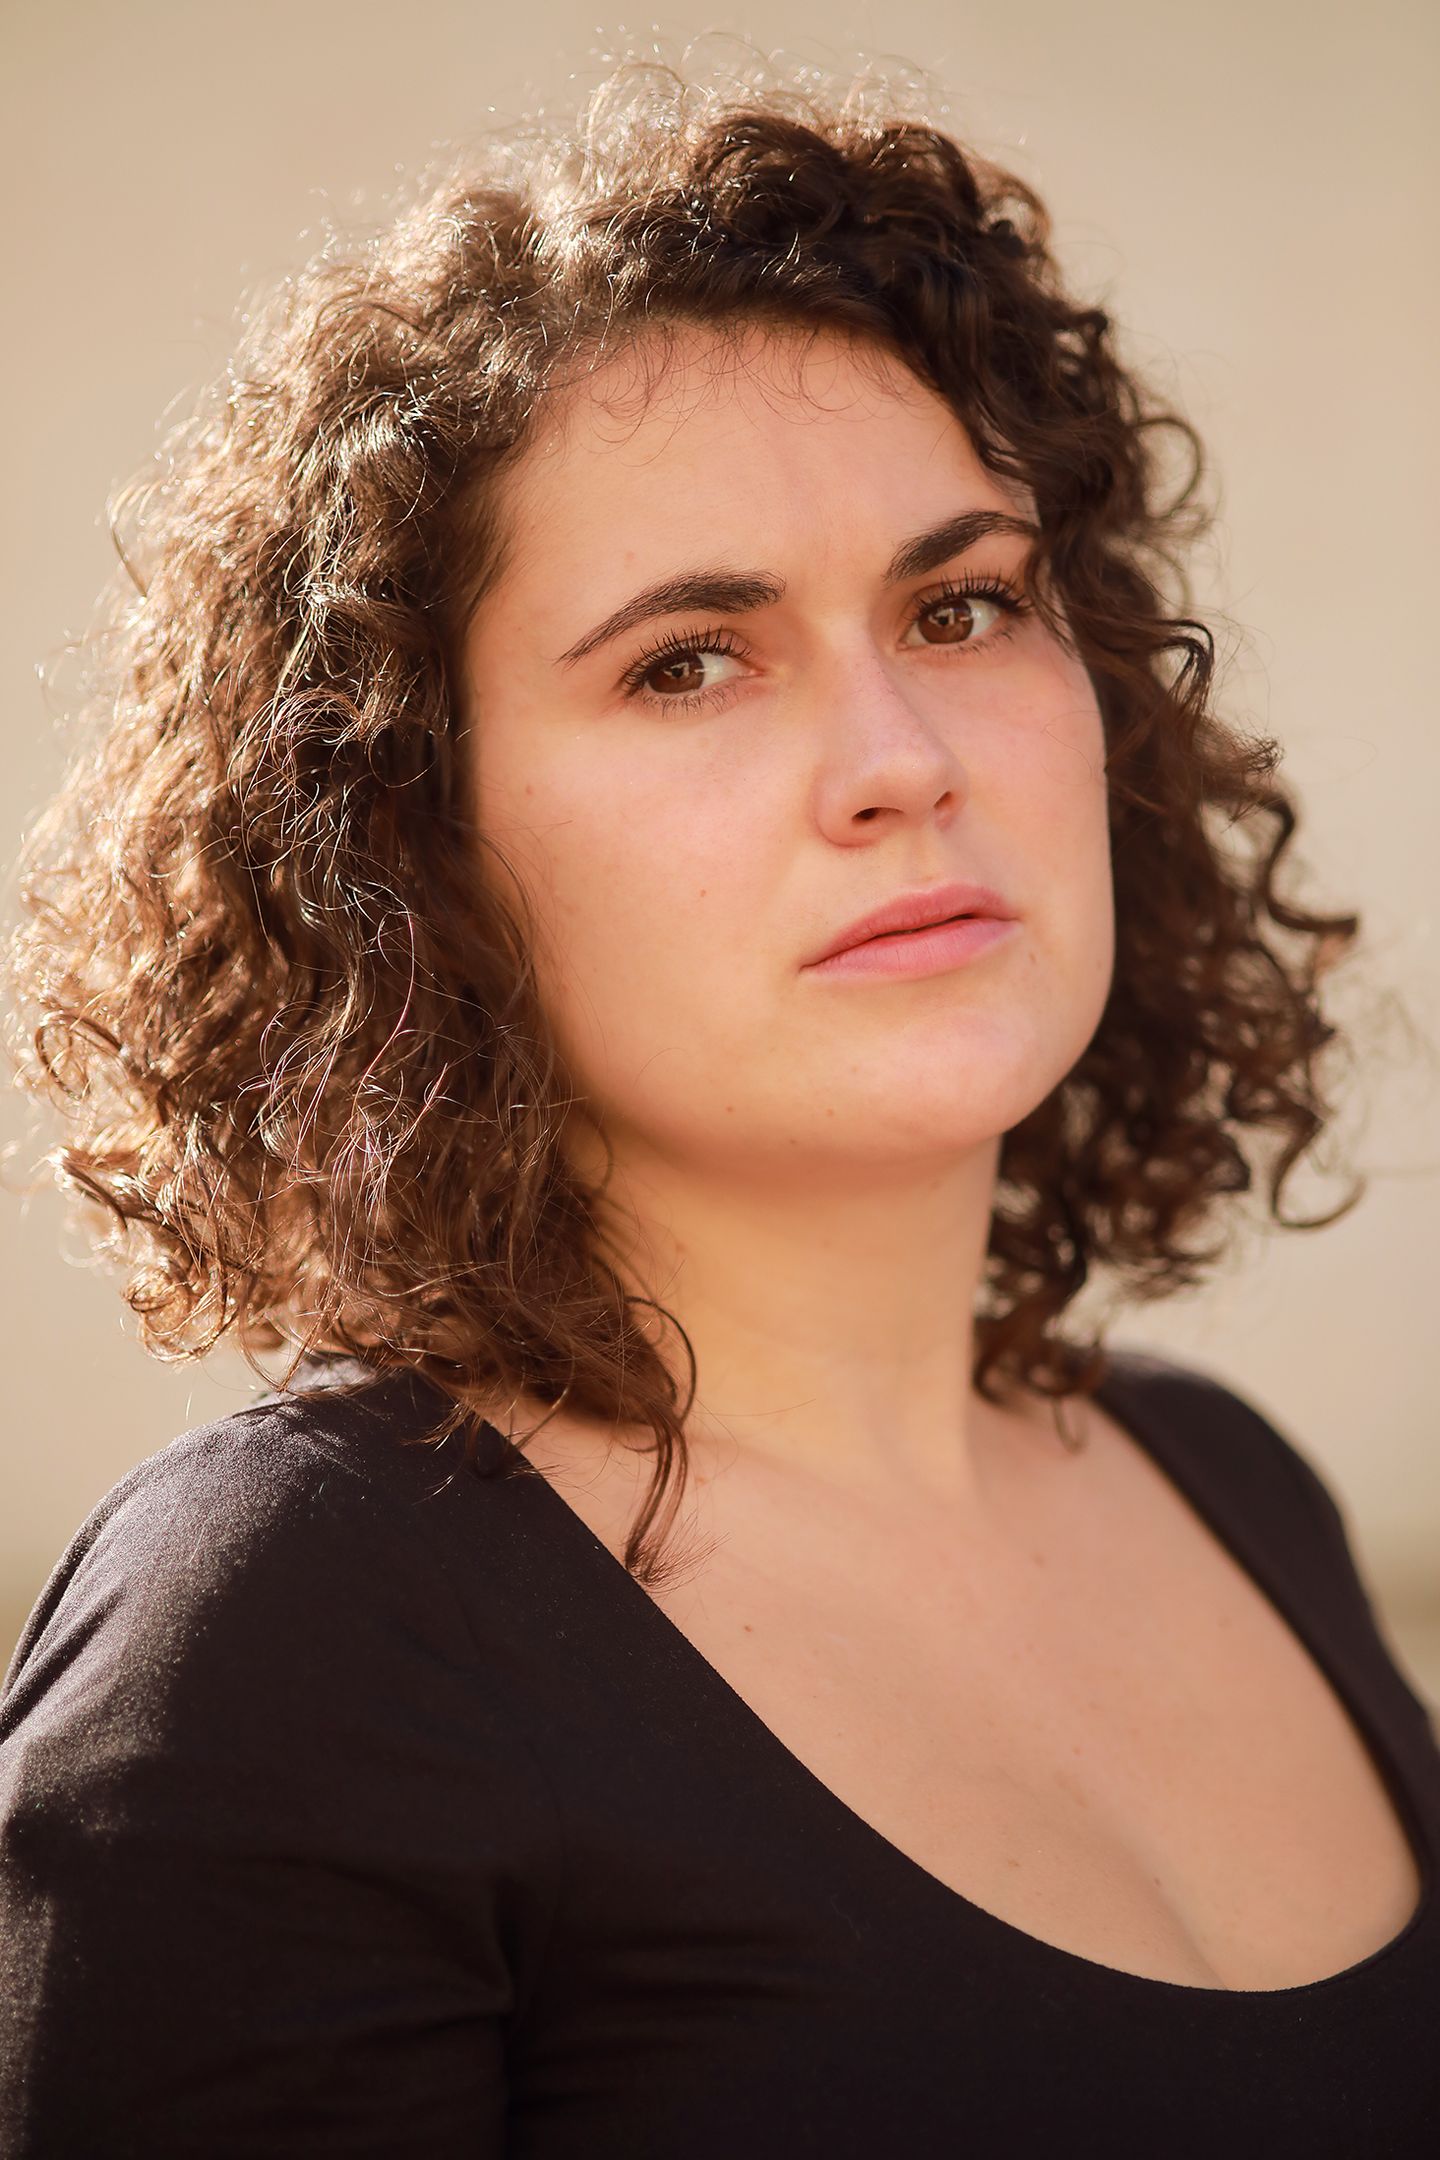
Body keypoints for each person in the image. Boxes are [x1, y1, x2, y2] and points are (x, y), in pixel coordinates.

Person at [1, 45, 1437, 2158]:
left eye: (964, 605)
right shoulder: (291, 1629)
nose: (902, 758)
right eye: (689, 660)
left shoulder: (1232, 1489)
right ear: (409, 842)